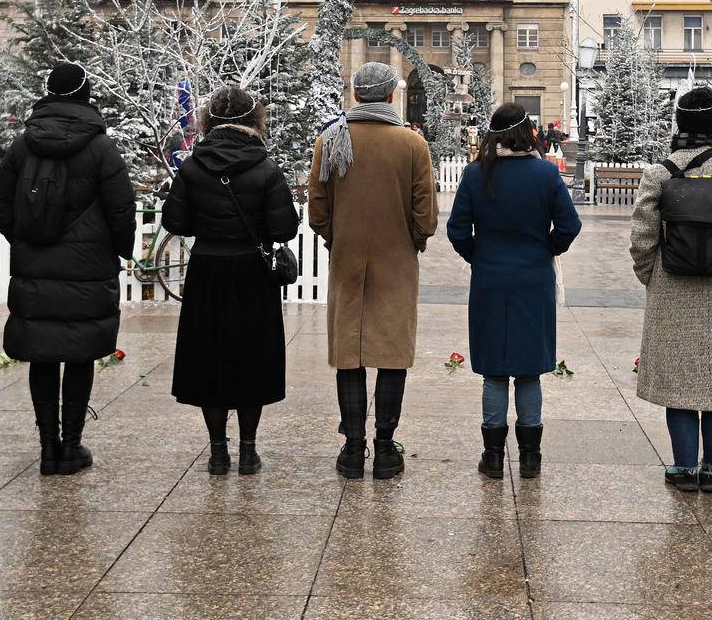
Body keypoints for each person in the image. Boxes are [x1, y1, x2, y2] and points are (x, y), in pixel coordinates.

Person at [0, 62, 135, 475]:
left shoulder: (23, 145)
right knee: (79, 354)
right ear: (85, 94)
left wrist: (23, 240)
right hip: (88, 268)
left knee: (42, 355)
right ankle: (71, 445)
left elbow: (2, 204)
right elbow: (121, 208)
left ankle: (46, 447)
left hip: (35, 264)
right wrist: (118, 251)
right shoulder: (101, 148)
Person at [629, 87, 712, 493]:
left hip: (671, 290)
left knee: (679, 384)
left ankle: (684, 468)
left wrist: (652, 275)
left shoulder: (660, 173)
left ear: (680, 124)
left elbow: (641, 240)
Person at [309, 61, 437, 481]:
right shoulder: (412, 144)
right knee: (391, 354)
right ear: (391, 95)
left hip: (347, 259)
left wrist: (338, 237)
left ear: (356, 94)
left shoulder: (330, 140)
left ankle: (351, 450)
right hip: (396, 260)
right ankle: (385, 449)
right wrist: (411, 240)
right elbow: (426, 217)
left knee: (350, 353)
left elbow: (318, 210)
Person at [163, 84, 299, 475]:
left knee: (210, 358)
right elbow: (284, 228)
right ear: (252, 120)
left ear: (211, 121)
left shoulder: (192, 166)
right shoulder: (266, 168)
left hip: (208, 269)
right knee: (251, 357)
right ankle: (249, 449)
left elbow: (175, 221)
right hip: (251, 273)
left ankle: (218, 450)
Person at [447, 103, 581, 480]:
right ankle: (530, 459)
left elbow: (458, 230)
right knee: (528, 371)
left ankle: (492, 458)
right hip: (533, 279)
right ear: (528, 133)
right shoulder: (545, 174)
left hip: (490, 279)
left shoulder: (476, 175)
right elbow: (569, 225)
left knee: (493, 371)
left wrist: (481, 256)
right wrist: (546, 248)